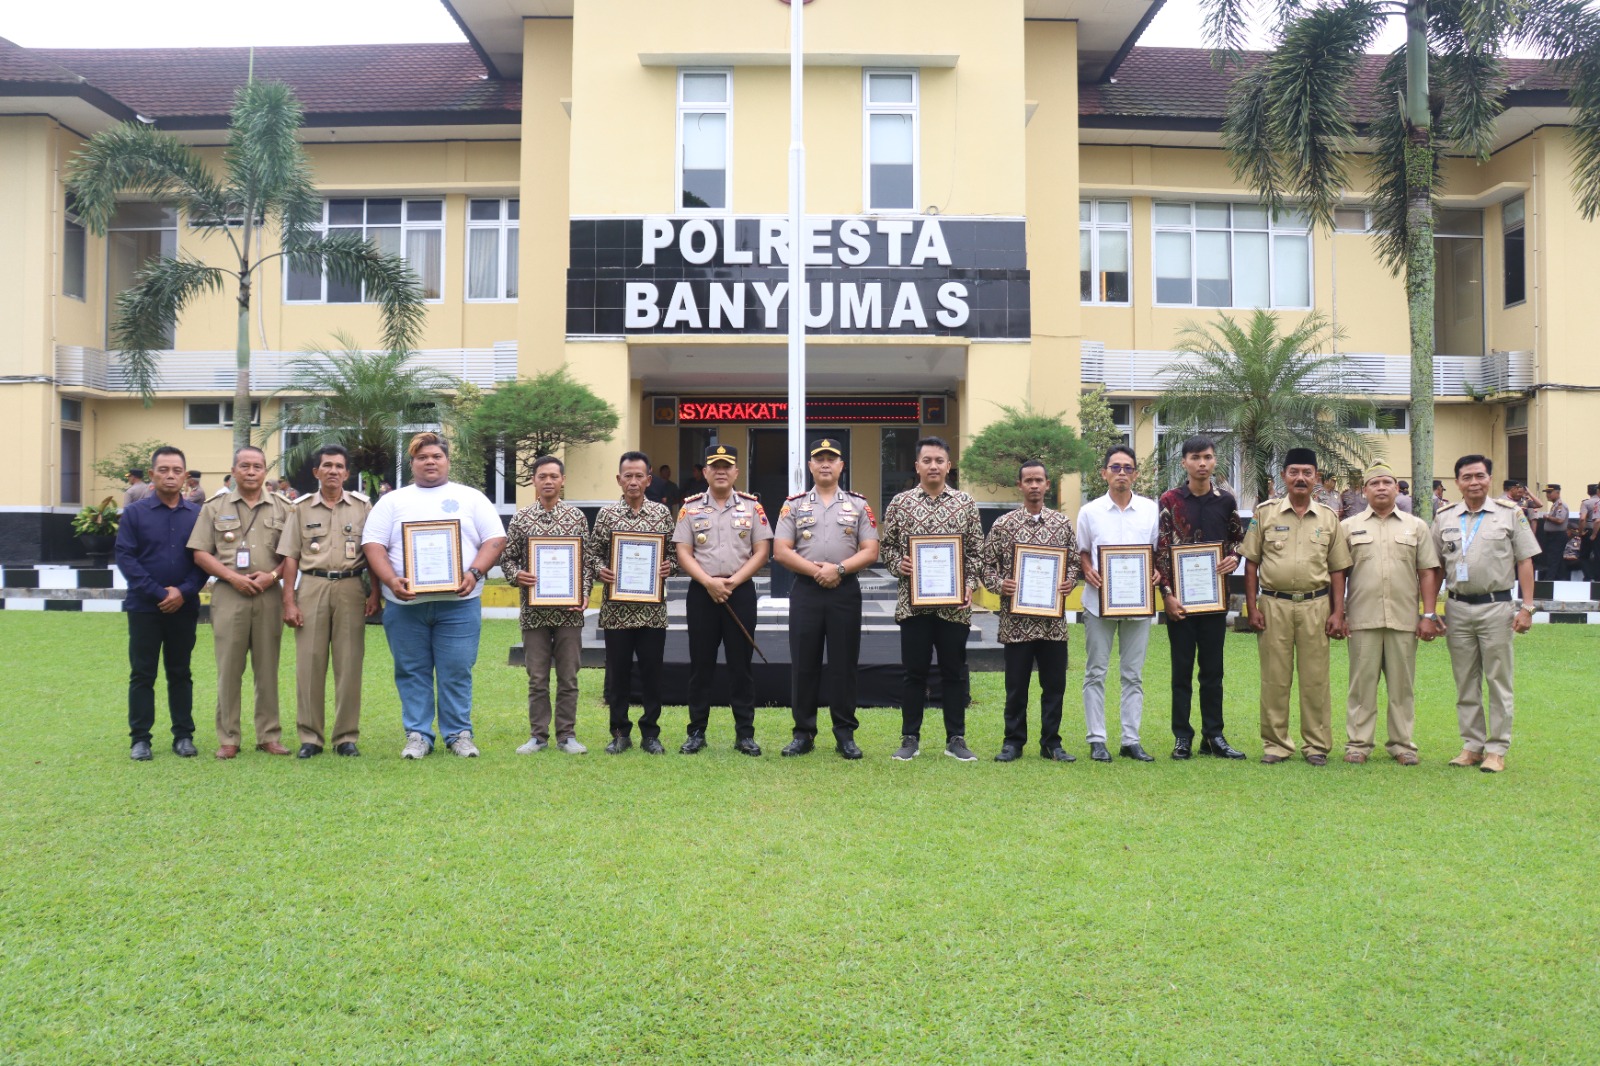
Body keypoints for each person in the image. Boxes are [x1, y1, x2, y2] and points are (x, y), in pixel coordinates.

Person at [362, 432, 506, 759]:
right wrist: (390, 579)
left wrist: (474, 573)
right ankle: (418, 735)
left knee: (456, 668)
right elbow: (373, 546)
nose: (430, 461)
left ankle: (458, 734)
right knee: (412, 670)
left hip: (459, 605)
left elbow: (495, 539)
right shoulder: (393, 501)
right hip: (405, 606)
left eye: (436, 456)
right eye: (422, 457)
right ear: (412, 463)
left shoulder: (470, 498)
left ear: (447, 461)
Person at [1241, 447, 1351, 766]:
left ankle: (1316, 745)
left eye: (1307, 472)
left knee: (1315, 678)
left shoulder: (1329, 518)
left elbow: (1338, 569)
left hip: (1316, 605)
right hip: (1273, 604)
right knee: (1275, 677)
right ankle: (1276, 744)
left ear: (1316, 478)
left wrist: (1337, 611)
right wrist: (1253, 607)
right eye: (1294, 472)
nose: (1300, 478)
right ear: (1284, 477)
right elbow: (1251, 563)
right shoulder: (1266, 513)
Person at [772, 438, 881, 759]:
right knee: (803, 664)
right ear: (810, 466)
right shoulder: (793, 505)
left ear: (841, 466)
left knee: (844, 665)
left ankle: (845, 733)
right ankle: (803, 733)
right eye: (819, 459)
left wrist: (840, 570)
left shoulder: (859, 505)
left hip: (844, 592)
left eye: (831, 459)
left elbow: (871, 550)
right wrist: (818, 571)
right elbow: (780, 551)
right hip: (806, 591)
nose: (825, 464)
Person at [1431, 454, 1540, 774]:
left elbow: (1525, 561)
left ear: (1489, 479)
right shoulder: (1445, 516)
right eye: (1467, 477)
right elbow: (1437, 567)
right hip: (1458, 608)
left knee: (1498, 680)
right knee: (1465, 681)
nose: (1474, 482)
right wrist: (1428, 611)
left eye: (1480, 476)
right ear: (1457, 482)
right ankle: (1472, 745)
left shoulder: (1510, 514)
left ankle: (1496, 748)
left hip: (1497, 608)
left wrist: (1527, 607)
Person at [879, 436, 984, 762]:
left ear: (948, 466)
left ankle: (956, 738)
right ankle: (910, 738)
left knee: (954, 672)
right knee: (914, 674)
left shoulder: (965, 503)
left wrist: (967, 584)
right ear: (917, 466)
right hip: (914, 606)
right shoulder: (900, 503)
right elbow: (887, 548)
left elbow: (976, 553)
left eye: (939, 460)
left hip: (954, 609)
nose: (934, 466)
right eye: (927, 460)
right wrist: (901, 564)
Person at [188, 445, 291, 759]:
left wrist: (272, 576)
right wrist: (233, 578)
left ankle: (268, 735)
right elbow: (200, 552)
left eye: (257, 466)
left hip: (268, 594)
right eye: (244, 466)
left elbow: (293, 555)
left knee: (267, 668)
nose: (251, 472)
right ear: (233, 470)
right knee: (229, 668)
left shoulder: (283, 507)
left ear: (264, 472)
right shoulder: (214, 506)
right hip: (229, 594)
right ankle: (229, 737)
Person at [277, 444, 378, 759]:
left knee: (349, 664)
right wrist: (289, 601)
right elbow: (290, 557)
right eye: (327, 465)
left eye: (338, 466)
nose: (333, 471)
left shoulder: (363, 507)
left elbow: (373, 553)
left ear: (347, 473)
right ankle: (311, 737)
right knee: (309, 663)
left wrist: (375, 592)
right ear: (316, 472)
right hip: (312, 586)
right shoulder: (301, 508)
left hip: (350, 588)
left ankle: (345, 736)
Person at [673, 443, 772, 755]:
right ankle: (696, 733)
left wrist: (733, 581)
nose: (720, 471)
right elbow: (683, 552)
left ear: (736, 472)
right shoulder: (689, 508)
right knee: (700, 666)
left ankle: (744, 734)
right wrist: (708, 582)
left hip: (739, 592)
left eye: (726, 466)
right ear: (705, 472)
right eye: (714, 466)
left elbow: (762, 551)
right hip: (702, 593)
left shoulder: (752, 506)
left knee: (740, 666)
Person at [1340, 464, 1443, 765]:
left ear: (1397, 489)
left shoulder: (1416, 527)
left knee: (1402, 686)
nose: (1382, 487)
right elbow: (1340, 574)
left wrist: (1429, 614)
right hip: (1362, 617)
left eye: (1388, 482)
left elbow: (1427, 572)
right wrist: (1339, 612)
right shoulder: (1349, 526)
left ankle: (1402, 745)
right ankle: (1358, 744)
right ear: (1365, 490)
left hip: (1403, 618)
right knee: (1361, 685)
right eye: (1375, 483)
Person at [978, 460, 1079, 763]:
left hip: (1053, 625)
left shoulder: (1061, 524)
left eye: (1039, 480)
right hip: (1016, 623)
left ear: (1048, 484)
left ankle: (1051, 742)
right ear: (1020, 485)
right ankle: (1013, 742)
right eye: (1028, 481)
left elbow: (1073, 562)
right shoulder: (1003, 524)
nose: (1034, 485)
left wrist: (1069, 581)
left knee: (1054, 686)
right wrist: (1000, 584)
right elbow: (985, 564)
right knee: (1016, 687)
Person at [1155, 435, 1247, 760]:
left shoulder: (1226, 501)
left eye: (1207, 457)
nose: (1202, 463)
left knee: (1213, 672)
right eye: (1195, 458)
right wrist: (1166, 595)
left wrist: (1234, 557)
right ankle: (1182, 737)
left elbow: (1239, 540)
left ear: (1215, 461)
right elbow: (1161, 552)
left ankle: (1214, 736)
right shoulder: (1169, 500)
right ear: (1184, 463)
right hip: (1179, 603)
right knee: (1181, 672)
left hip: (1213, 601)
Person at [116, 446, 206, 761]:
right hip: (144, 607)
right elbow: (126, 558)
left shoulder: (197, 515)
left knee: (180, 671)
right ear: (153, 474)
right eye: (164, 470)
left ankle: (183, 736)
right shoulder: (134, 513)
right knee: (143, 673)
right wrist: (159, 593)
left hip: (184, 606)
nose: (170, 475)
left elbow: (203, 561)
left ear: (185, 476)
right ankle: (140, 739)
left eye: (176, 470)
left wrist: (182, 591)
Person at [501, 455, 593, 756]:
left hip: (568, 613)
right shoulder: (521, 518)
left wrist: (584, 593)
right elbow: (508, 559)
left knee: (568, 676)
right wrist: (518, 575)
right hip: (534, 612)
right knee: (537, 677)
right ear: (534, 481)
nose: (549, 481)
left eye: (554, 476)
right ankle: (537, 736)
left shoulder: (577, 517)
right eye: (543, 476)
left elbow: (587, 562)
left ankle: (567, 735)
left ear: (562, 480)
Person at [587, 451, 678, 755]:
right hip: (617, 611)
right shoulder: (606, 515)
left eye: (640, 476)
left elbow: (675, 555)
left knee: (652, 674)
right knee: (618, 674)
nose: (634, 481)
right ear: (619, 479)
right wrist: (600, 568)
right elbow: (592, 554)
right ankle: (619, 732)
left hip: (652, 611)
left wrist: (669, 567)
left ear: (649, 479)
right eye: (628, 475)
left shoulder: (662, 514)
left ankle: (651, 733)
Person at [1076, 445, 1161, 763]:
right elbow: (1083, 550)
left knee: (1133, 674)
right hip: (1099, 603)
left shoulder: (1150, 510)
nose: (1121, 473)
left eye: (1127, 468)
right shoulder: (1090, 511)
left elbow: (1156, 553)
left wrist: (1155, 571)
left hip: (1138, 603)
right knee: (1096, 670)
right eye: (1115, 467)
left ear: (1136, 474)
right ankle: (1097, 739)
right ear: (1104, 473)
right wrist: (1087, 569)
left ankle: (1131, 739)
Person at [1538, 484, 1569, 580]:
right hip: (1552, 536)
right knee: (1557, 560)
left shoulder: (1560, 505)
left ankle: (1549, 580)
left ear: (1557, 492)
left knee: (1553, 559)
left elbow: (1560, 520)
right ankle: (1561, 579)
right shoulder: (1554, 505)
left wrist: (1548, 517)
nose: (1547, 495)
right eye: (1547, 493)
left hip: (1557, 536)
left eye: (1549, 492)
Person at [1580, 483, 1600, 582]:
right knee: (1597, 554)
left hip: (1590, 529)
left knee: (1584, 555)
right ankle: (1597, 576)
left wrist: (1581, 531)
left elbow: (1582, 519)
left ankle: (1588, 576)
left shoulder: (1586, 503)